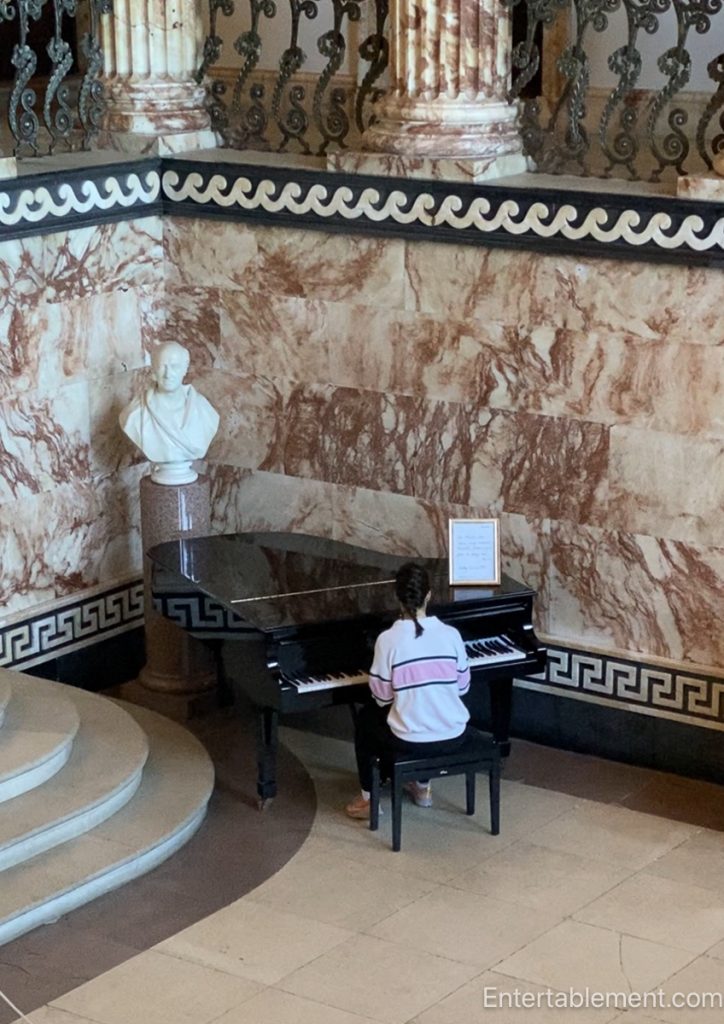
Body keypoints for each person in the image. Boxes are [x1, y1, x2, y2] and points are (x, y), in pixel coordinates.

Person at [345, 561, 471, 820]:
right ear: (429, 595)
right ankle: (422, 789)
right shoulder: (451, 635)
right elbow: (463, 687)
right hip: (454, 735)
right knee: (426, 709)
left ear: (397, 598)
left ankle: (369, 799)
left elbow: (381, 697)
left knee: (366, 720)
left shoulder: (388, 639)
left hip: (411, 741)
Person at [119, 341, 219, 485]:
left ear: (185, 369)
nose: (168, 374)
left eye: (175, 367)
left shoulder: (204, 410)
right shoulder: (135, 414)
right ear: (153, 370)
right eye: (162, 367)